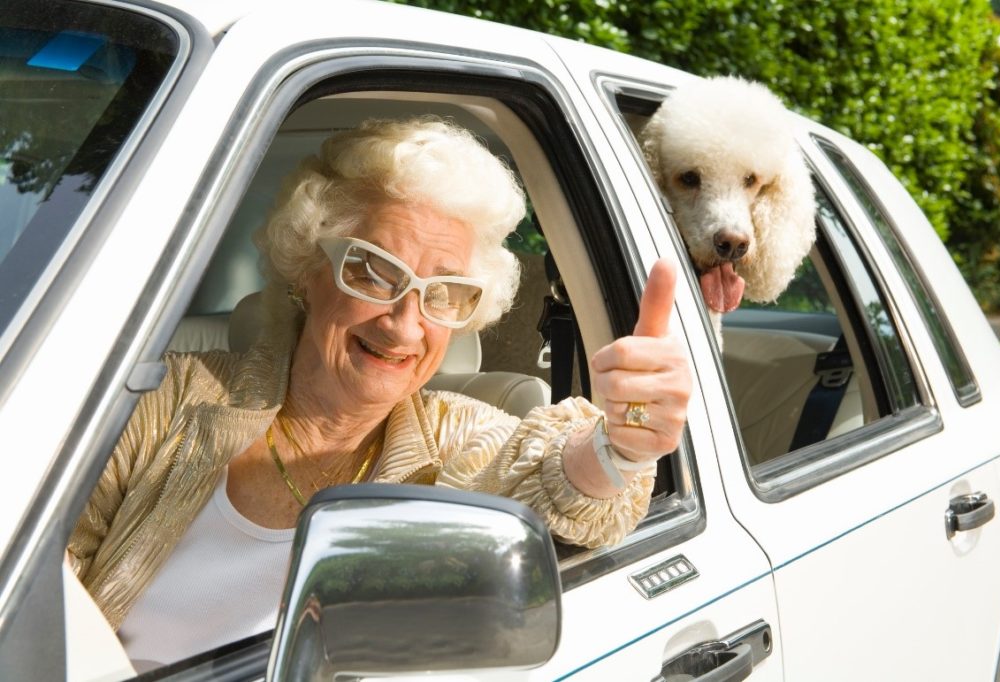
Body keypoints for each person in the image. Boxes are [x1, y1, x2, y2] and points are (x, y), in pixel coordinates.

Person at [66, 116, 692, 667]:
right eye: (371, 269)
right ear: (308, 272)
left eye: (443, 291)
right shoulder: (171, 396)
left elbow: (556, 468)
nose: (403, 321)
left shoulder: (457, 437)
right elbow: (42, 565)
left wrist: (622, 448)